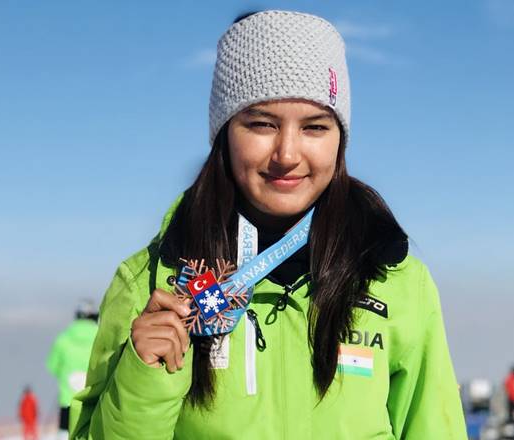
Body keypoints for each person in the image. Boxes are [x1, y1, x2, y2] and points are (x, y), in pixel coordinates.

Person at [70, 10, 467, 439]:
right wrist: (142, 379)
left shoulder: (396, 279)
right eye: (262, 124)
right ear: (224, 132)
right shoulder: (149, 285)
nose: (287, 154)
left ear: (339, 138)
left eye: (315, 127)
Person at [47, 299, 99, 438]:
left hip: (68, 400)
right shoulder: (101, 337)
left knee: (65, 433)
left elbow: (52, 366)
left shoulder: (63, 339)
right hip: (93, 399)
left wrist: (65, 375)